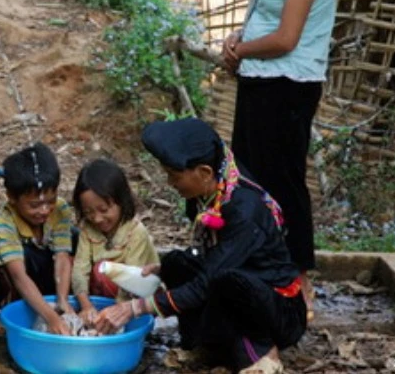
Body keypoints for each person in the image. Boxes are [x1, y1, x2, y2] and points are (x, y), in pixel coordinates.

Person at [95, 118, 306, 374]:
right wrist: (162, 270)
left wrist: (134, 308)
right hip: (233, 275)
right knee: (176, 263)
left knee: (229, 282)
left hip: (275, 307)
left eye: (174, 176)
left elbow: (210, 278)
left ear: (204, 172)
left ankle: (262, 357)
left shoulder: (245, 211)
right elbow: (208, 256)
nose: (170, 183)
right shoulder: (210, 188)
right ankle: (202, 346)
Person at [222, 0, 335, 320]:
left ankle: (301, 281)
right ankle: (262, 269)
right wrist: (240, 38)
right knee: (252, 180)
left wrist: (239, 49)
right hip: (264, 81)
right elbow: (267, 20)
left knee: (282, 183)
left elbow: (287, 37)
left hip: (287, 86)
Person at [0, 142, 78, 335]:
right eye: (34, 205)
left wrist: (62, 300)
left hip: (47, 277)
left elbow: (62, 256)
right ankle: (9, 313)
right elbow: (19, 276)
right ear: (11, 197)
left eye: (50, 201)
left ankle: (56, 301)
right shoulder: (3, 224)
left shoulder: (59, 210)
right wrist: (51, 318)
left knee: (77, 238)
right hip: (13, 283)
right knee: (24, 257)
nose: (44, 210)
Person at [70, 158, 159, 325]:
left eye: (104, 210)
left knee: (102, 272)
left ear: (121, 201)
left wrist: (118, 314)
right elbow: (80, 270)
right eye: (88, 212)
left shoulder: (135, 232)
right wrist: (86, 306)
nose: (96, 218)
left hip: (135, 297)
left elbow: (132, 281)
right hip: (103, 296)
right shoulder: (87, 230)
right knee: (71, 264)